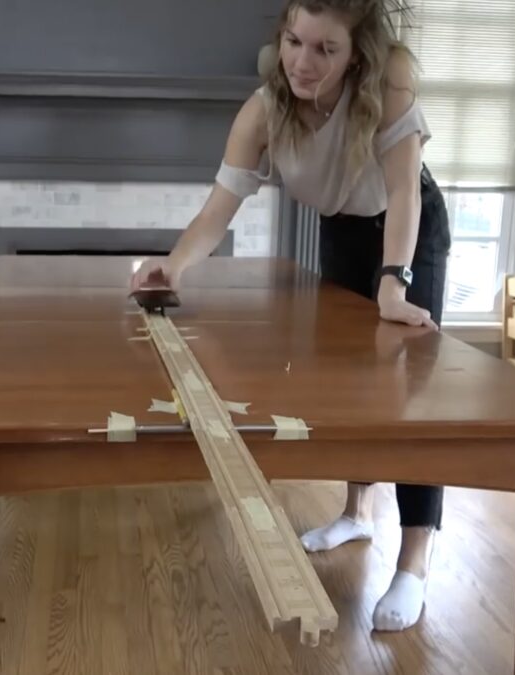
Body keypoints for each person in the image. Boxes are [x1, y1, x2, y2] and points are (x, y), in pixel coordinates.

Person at [128, 0, 452, 632]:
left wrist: (393, 285)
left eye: (326, 49)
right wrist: (173, 266)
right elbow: (218, 209)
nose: (304, 62)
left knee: (410, 394)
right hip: (342, 229)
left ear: (355, 56)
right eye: (295, 42)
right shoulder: (263, 111)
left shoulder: (390, 79)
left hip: (408, 231)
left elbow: (403, 192)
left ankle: (414, 560)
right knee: (351, 383)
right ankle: (358, 514)